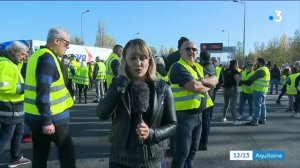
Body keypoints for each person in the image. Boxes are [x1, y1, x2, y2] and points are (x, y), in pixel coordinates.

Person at [96, 39, 177, 167]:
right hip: (120, 159)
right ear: (125, 61)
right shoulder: (118, 86)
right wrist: (120, 84)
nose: (138, 63)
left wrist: (152, 133)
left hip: (151, 160)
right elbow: (102, 113)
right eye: (133, 58)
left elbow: (173, 124)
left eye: (143, 58)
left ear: (149, 61)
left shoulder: (163, 88)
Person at [24, 27, 76, 168]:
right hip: (53, 119)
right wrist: (47, 120)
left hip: (37, 117)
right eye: (66, 43)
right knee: (67, 155)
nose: (68, 46)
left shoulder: (37, 55)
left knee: (40, 156)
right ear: (56, 41)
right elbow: (43, 91)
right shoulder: (48, 58)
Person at [169, 41, 213, 168]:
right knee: (181, 154)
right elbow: (193, 86)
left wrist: (202, 82)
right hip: (183, 117)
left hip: (198, 115)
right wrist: (206, 85)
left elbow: (215, 79)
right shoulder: (177, 67)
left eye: (194, 49)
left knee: (192, 152)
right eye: (187, 49)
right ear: (180, 52)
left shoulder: (198, 67)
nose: (191, 51)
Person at [0, 41, 31, 168]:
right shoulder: (5, 64)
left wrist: (24, 60)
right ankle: (15, 157)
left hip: (16, 107)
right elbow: (2, 85)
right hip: (9, 107)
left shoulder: (13, 63)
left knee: (19, 133)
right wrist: (20, 88)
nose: (24, 57)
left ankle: (16, 157)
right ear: (13, 52)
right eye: (22, 54)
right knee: (6, 137)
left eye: (26, 54)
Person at [197, 51, 218, 151]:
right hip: (212, 95)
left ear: (201, 58)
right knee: (208, 119)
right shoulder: (212, 66)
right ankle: (205, 140)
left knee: (205, 120)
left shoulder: (202, 67)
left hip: (206, 96)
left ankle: (203, 142)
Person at [243, 58, 270, 126]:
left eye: (257, 62)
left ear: (260, 63)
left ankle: (255, 121)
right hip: (264, 90)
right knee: (263, 105)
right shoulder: (266, 69)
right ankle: (263, 119)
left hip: (258, 90)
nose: (256, 64)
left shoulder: (260, 70)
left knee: (257, 106)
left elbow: (251, 78)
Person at [221, 60, 241, 125]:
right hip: (232, 89)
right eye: (237, 64)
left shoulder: (225, 71)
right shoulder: (235, 71)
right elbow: (237, 80)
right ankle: (235, 120)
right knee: (233, 105)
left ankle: (223, 117)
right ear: (235, 64)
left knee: (226, 104)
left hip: (224, 89)